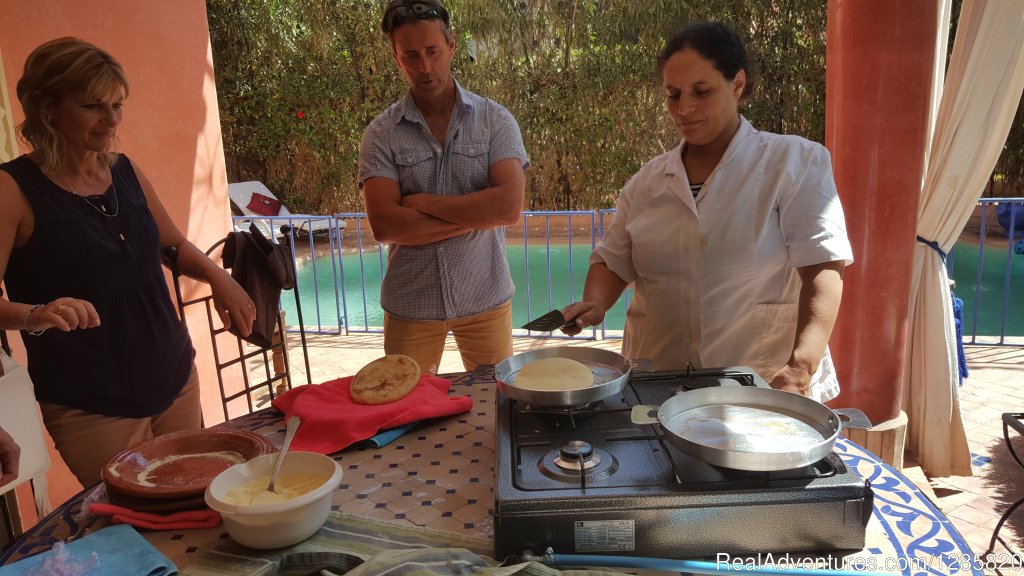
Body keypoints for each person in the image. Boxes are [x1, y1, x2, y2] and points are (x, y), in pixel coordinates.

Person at [0, 37, 255, 486]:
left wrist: (219, 277)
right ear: (46, 108)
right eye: (93, 106)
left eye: (118, 104)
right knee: (135, 525)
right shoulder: (12, 190)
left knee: (202, 499)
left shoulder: (125, 170)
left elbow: (170, 244)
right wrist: (35, 315)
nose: (112, 119)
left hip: (175, 377)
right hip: (92, 405)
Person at [561, 21, 853, 403]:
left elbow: (823, 267)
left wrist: (801, 367)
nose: (684, 109)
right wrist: (595, 304)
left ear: (737, 84)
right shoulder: (647, 181)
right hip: (658, 383)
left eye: (702, 91)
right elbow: (614, 261)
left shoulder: (793, 162)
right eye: (673, 94)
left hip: (763, 382)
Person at [358, 0, 529, 373]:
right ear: (396, 57)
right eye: (411, 55)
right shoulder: (381, 134)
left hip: (486, 298)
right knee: (403, 410)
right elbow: (386, 225)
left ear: (451, 45)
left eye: (433, 51)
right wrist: (478, 215)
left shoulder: (494, 121)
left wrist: (423, 203)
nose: (425, 66)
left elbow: (507, 209)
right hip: (411, 304)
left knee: (498, 406)